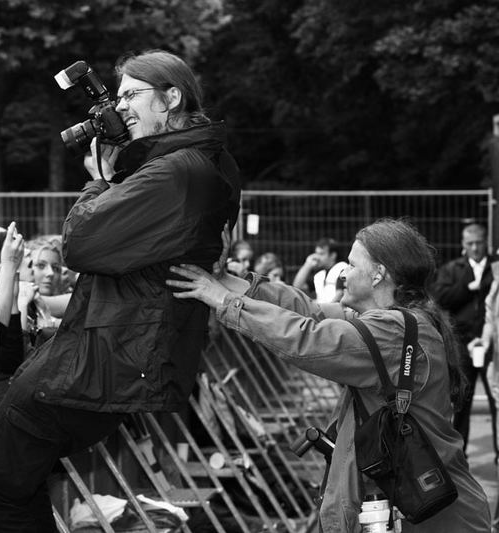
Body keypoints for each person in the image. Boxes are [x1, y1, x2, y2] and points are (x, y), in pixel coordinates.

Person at [0, 49, 240, 532]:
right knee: (11, 482)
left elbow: (82, 244)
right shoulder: (198, 162)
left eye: (133, 94)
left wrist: (100, 183)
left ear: (171, 97)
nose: (123, 106)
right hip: (110, 354)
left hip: (103, 362)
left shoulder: (177, 170)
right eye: (121, 94)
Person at [167, 218, 490, 532]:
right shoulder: (398, 322)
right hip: (429, 508)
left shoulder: (390, 331)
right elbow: (308, 310)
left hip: (429, 516)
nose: (343, 274)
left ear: (378, 274)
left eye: (351, 264)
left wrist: (225, 301)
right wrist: (228, 280)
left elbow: (308, 338)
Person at [430, 223, 496, 457]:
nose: (475, 248)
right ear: (463, 245)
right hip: (463, 343)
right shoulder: (452, 269)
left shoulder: (495, 267)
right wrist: (468, 287)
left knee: (495, 400)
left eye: (479, 243)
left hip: (492, 343)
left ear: (486, 242)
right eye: (470, 244)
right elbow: (441, 298)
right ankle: (459, 456)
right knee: (461, 401)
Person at [291, 237, 347, 303]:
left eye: (321, 254)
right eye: (316, 253)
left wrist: (325, 311)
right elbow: (297, 286)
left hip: (335, 311)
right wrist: (307, 264)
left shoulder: (343, 268)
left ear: (333, 255)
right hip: (323, 311)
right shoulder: (320, 275)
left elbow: (340, 295)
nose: (317, 257)